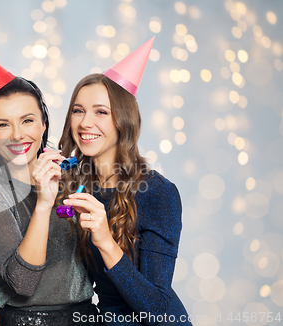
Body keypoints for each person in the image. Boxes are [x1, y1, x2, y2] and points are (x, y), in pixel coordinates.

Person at [58, 38, 192, 325]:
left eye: (101, 112)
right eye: (78, 110)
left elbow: (157, 308)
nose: (85, 123)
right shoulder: (73, 186)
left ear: (124, 121)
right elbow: (60, 271)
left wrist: (106, 240)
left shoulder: (157, 193)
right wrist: (5, 301)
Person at [0, 40, 99, 326]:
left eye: (27, 120)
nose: (16, 135)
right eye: (2, 124)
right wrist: (43, 204)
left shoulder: (75, 175)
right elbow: (23, 283)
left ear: (43, 124)